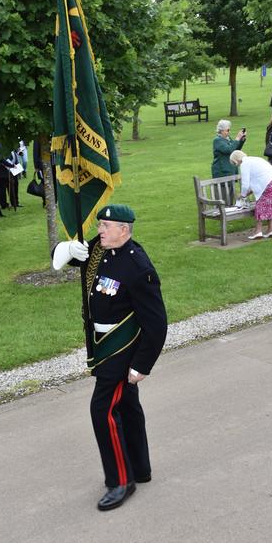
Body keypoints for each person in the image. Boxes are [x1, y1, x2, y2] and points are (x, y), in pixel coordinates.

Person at [52, 204, 167, 511]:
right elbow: (69, 259)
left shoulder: (138, 267)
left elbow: (156, 323)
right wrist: (65, 249)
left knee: (102, 410)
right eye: (100, 224)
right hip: (102, 344)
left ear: (124, 230)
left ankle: (120, 480)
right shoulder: (100, 250)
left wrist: (141, 365)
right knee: (127, 406)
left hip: (121, 350)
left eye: (105, 225)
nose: (99, 230)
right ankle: (140, 469)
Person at [230, 151, 272, 240]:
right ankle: (271, 230)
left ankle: (258, 232)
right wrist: (245, 194)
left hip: (270, 183)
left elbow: (245, 184)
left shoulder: (244, 164)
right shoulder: (255, 159)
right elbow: (258, 180)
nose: (235, 165)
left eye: (234, 163)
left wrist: (242, 195)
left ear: (236, 159)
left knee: (260, 206)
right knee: (269, 205)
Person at [212, 120, 246, 205]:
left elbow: (235, 150)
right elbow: (228, 150)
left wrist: (241, 140)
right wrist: (237, 139)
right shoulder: (217, 140)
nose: (229, 132)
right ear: (221, 130)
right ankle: (223, 211)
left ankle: (230, 210)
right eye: (227, 130)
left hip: (230, 170)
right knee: (223, 195)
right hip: (222, 172)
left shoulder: (227, 139)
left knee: (230, 194)